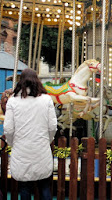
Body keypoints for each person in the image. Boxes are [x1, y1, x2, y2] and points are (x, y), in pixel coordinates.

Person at [4, 69, 57, 200]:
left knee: (24, 187)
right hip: (41, 148)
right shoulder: (46, 100)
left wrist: (12, 142)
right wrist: (48, 139)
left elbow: (8, 129)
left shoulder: (13, 101)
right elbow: (52, 126)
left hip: (21, 149)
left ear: (20, 81)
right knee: (44, 186)